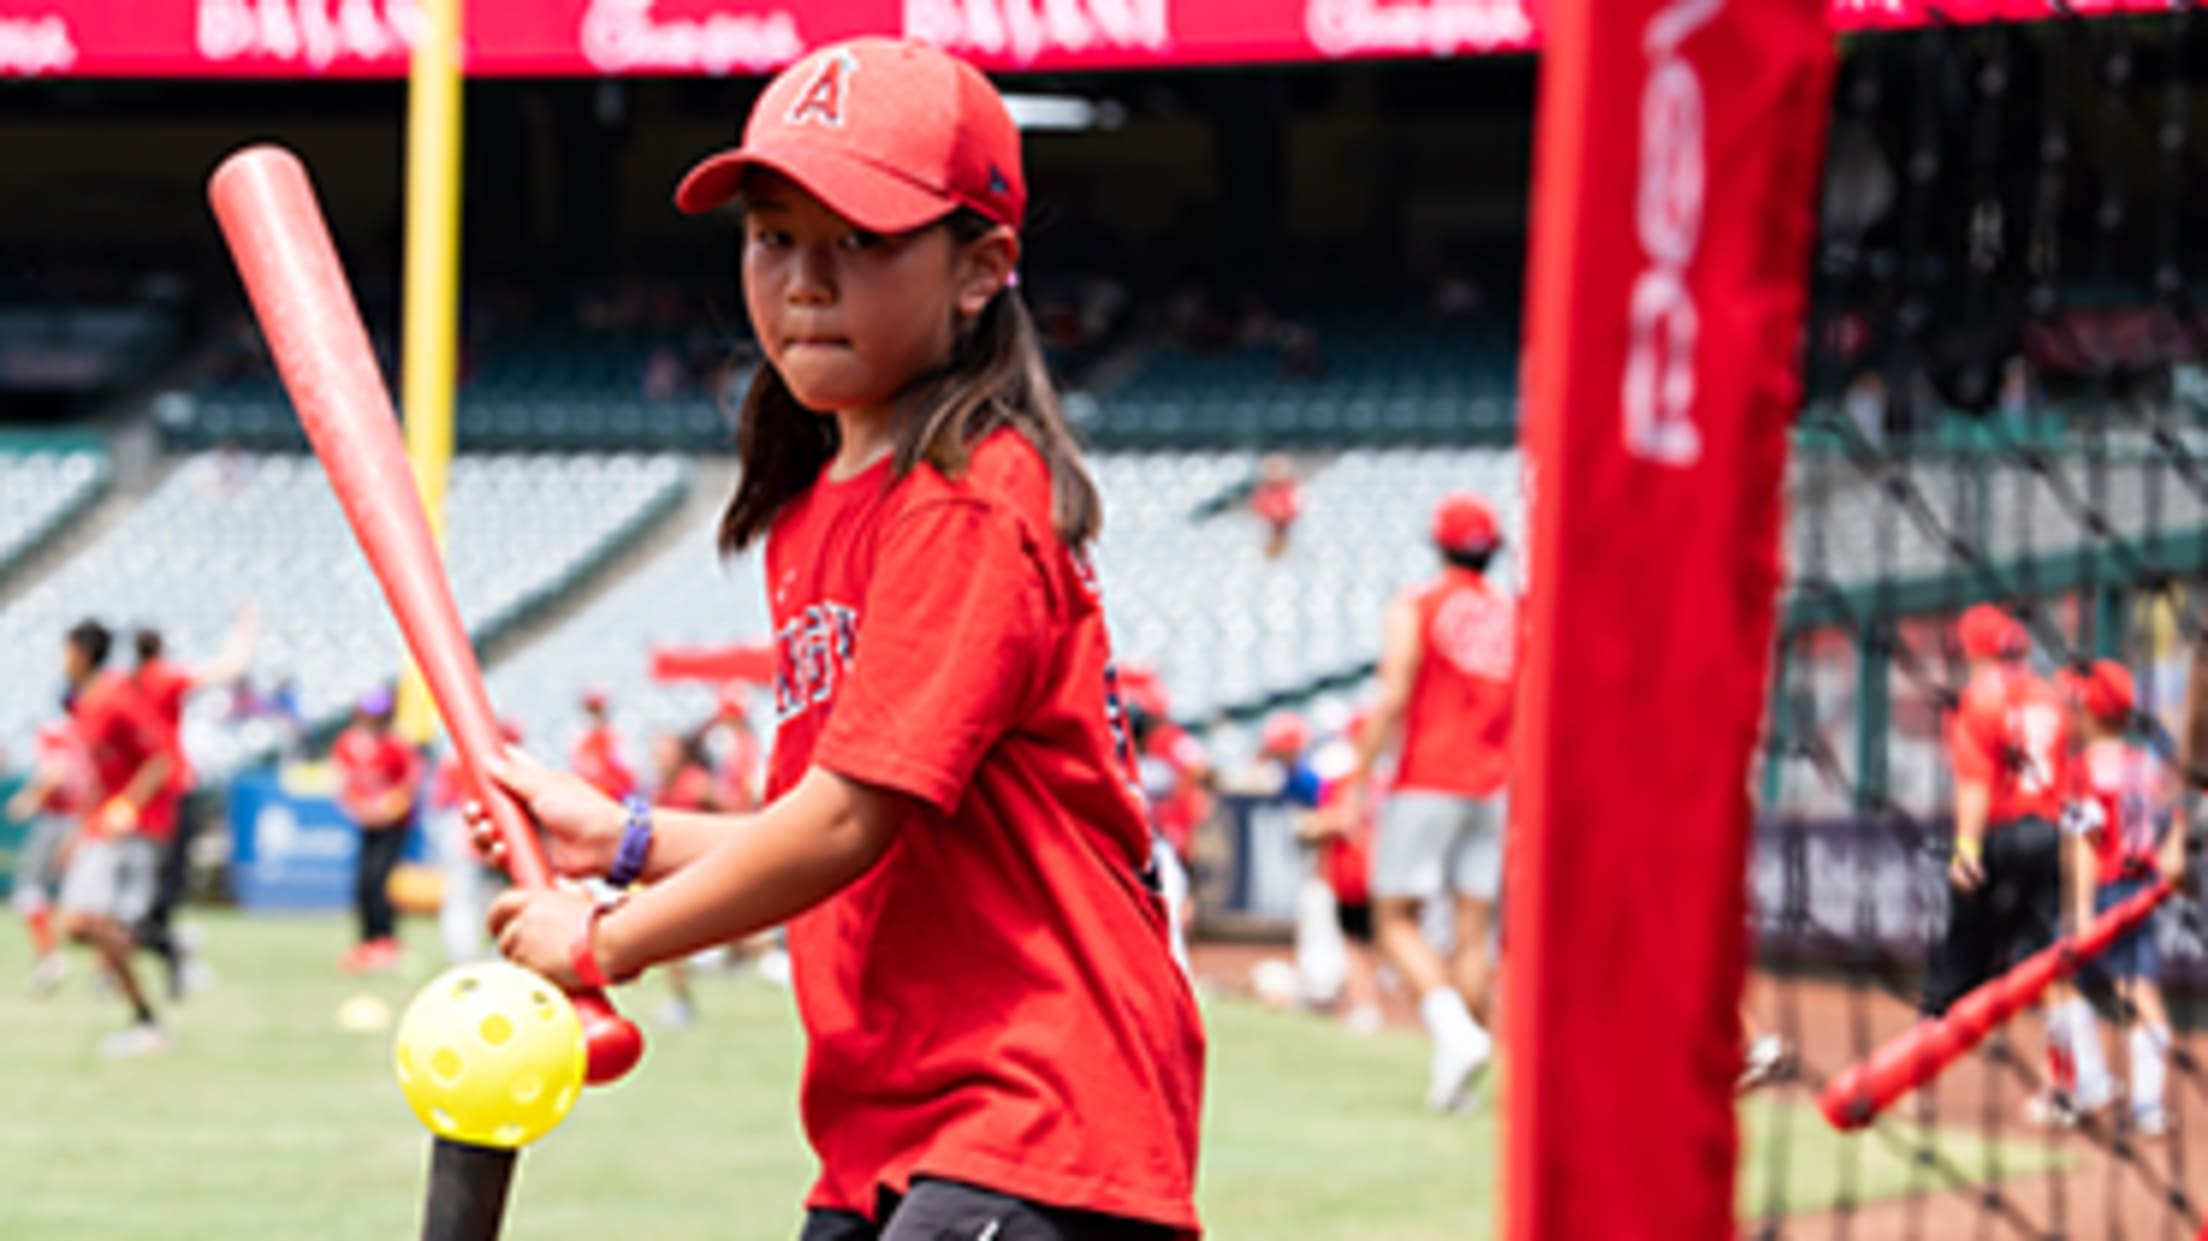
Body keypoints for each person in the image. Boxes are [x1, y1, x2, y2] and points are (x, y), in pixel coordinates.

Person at [474, 38, 1203, 1240]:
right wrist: (627, 836)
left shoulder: (970, 498)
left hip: (1038, 1108)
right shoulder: (817, 515)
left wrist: (606, 938)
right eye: (773, 235)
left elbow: (849, 821)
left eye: (859, 239)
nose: (805, 280)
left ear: (982, 269)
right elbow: (834, 842)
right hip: (892, 1130)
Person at [1330, 493, 1511, 1113]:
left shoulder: (1418, 602)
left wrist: (1357, 778)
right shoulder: (1514, 613)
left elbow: (1396, 688)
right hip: (1496, 782)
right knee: (1471, 932)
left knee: (1392, 917)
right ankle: (1458, 1081)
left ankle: (1455, 1034)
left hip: (1430, 775)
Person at [1927, 607, 2097, 1116]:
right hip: (2050, 835)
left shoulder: (1978, 698)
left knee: (1958, 964)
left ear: (1972, 649)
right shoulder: (2049, 693)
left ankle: (1917, 1078)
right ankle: (2065, 1085)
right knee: (2047, 965)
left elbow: (1975, 783)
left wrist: (1967, 850)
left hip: (2002, 837)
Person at [2064, 659, 2185, 1137]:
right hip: (2142, 888)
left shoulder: (2083, 768)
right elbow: (2172, 819)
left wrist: (2081, 909)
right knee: (2137, 986)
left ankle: (2098, 1084)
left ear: (2090, 713)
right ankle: (2144, 1103)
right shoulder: (2146, 764)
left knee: (2062, 975)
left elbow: (2084, 845)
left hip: (2109, 886)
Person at [53, 619, 174, 1057]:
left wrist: (128, 806)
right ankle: (158, 964)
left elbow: (160, 759)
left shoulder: (116, 698)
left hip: (127, 833)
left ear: (82, 654)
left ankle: (151, 1002)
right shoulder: (87, 703)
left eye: (66, 651)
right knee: (96, 928)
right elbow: (95, 781)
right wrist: (76, 834)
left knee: (85, 924)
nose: (62, 661)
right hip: (99, 829)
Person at [130, 605, 259, 998]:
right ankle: (170, 953)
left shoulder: (131, 682)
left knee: (140, 886)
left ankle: (152, 954)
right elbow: (230, 668)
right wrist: (245, 629)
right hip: (166, 794)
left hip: (139, 794)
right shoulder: (162, 678)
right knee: (162, 886)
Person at [331, 687, 424, 973]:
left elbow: (411, 780)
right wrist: (361, 810)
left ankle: (386, 942)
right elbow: (341, 783)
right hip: (366, 822)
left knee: (380, 882)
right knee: (363, 883)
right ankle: (366, 942)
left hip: (393, 825)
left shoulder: (396, 744)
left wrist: (387, 807)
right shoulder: (348, 743)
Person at [6, 715, 88, 995]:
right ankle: (108, 970)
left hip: (58, 820)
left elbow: (57, 770)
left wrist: (30, 798)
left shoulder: (53, 729)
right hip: (84, 818)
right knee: (85, 900)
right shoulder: (85, 727)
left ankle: (50, 956)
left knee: (29, 890)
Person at [569, 688, 637, 802]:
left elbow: (630, 776)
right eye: (591, 711)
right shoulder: (580, 740)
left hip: (615, 799)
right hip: (589, 798)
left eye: (598, 711)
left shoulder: (615, 738)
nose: (593, 716)